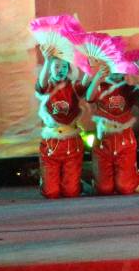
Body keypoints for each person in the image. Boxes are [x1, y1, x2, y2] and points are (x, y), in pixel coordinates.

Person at [35, 51, 96, 198]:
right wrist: (47, 60)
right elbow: (41, 84)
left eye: (64, 66)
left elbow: (84, 84)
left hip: (71, 143)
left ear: (69, 68)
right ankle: (47, 181)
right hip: (51, 143)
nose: (60, 70)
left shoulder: (73, 86)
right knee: (51, 193)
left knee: (71, 192)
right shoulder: (47, 86)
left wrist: (89, 67)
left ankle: (77, 183)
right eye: (56, 66)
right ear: (50, 68)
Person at [88, 67, 139, 195]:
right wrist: (97, 78)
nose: (116, 71)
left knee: (125, 188)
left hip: (124, 142)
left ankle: (137, 176)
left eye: (119, 67)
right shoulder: (100, 86)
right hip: (103, 142)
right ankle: (100, 181)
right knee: (104, 189)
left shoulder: (130, 88)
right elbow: (89, 97)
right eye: (113, 67)